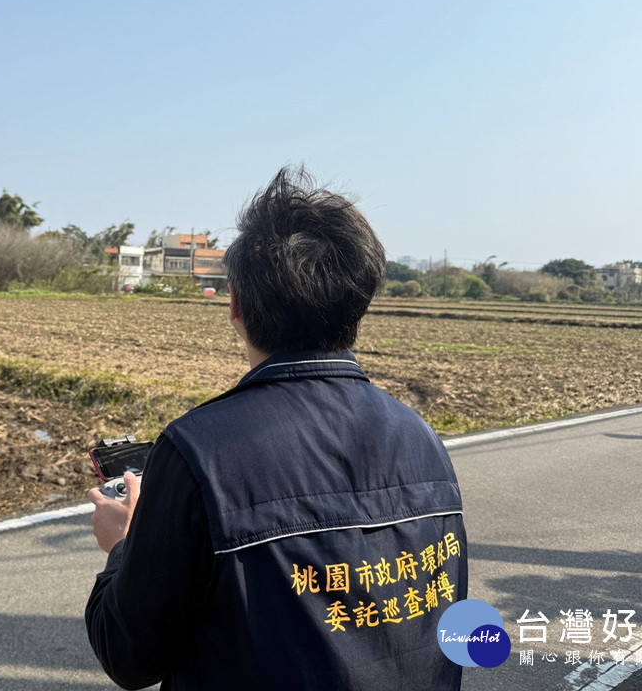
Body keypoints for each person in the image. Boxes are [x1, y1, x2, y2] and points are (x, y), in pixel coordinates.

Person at [84, 166, 468, 690]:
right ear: (360, 299)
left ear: (236, 304)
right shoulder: (421, 435)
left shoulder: (200, 449)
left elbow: (130, 656)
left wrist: (124, 545)